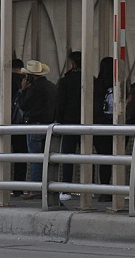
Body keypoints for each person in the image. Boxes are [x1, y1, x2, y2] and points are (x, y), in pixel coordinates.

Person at [17, 59, 56, 198]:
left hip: (35, 125)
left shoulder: (34, 88)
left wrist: (22, 90)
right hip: (50, 126)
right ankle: (48, 187)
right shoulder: (51, 86)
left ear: (29, 76)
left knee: (35, 159)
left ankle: (36, 189)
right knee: (48, 159)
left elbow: (24, 105)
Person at [0, 59, 26, 188]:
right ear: (22, 68)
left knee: (0, 153)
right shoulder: (27, 81)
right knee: (21, 155)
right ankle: (19, 187)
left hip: (5, 121)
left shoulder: (4, 80)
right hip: (22, 123)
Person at [55, 51, 82, 201]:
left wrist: (58, 121)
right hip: (87, 123)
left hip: (68, 122)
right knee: (87, 156)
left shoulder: (65, 81)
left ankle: (66, 189)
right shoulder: (90, 79)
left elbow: (60, 104)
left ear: (72, 63)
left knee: (67, 156)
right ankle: (89, 187)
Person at [93, 57, 114, 200]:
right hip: (116, 126)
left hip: (99, 125)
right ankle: (115, 187)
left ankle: (103, 189)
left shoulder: (97, 85)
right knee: (115, 159)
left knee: (102, 158)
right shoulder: (119, 84)